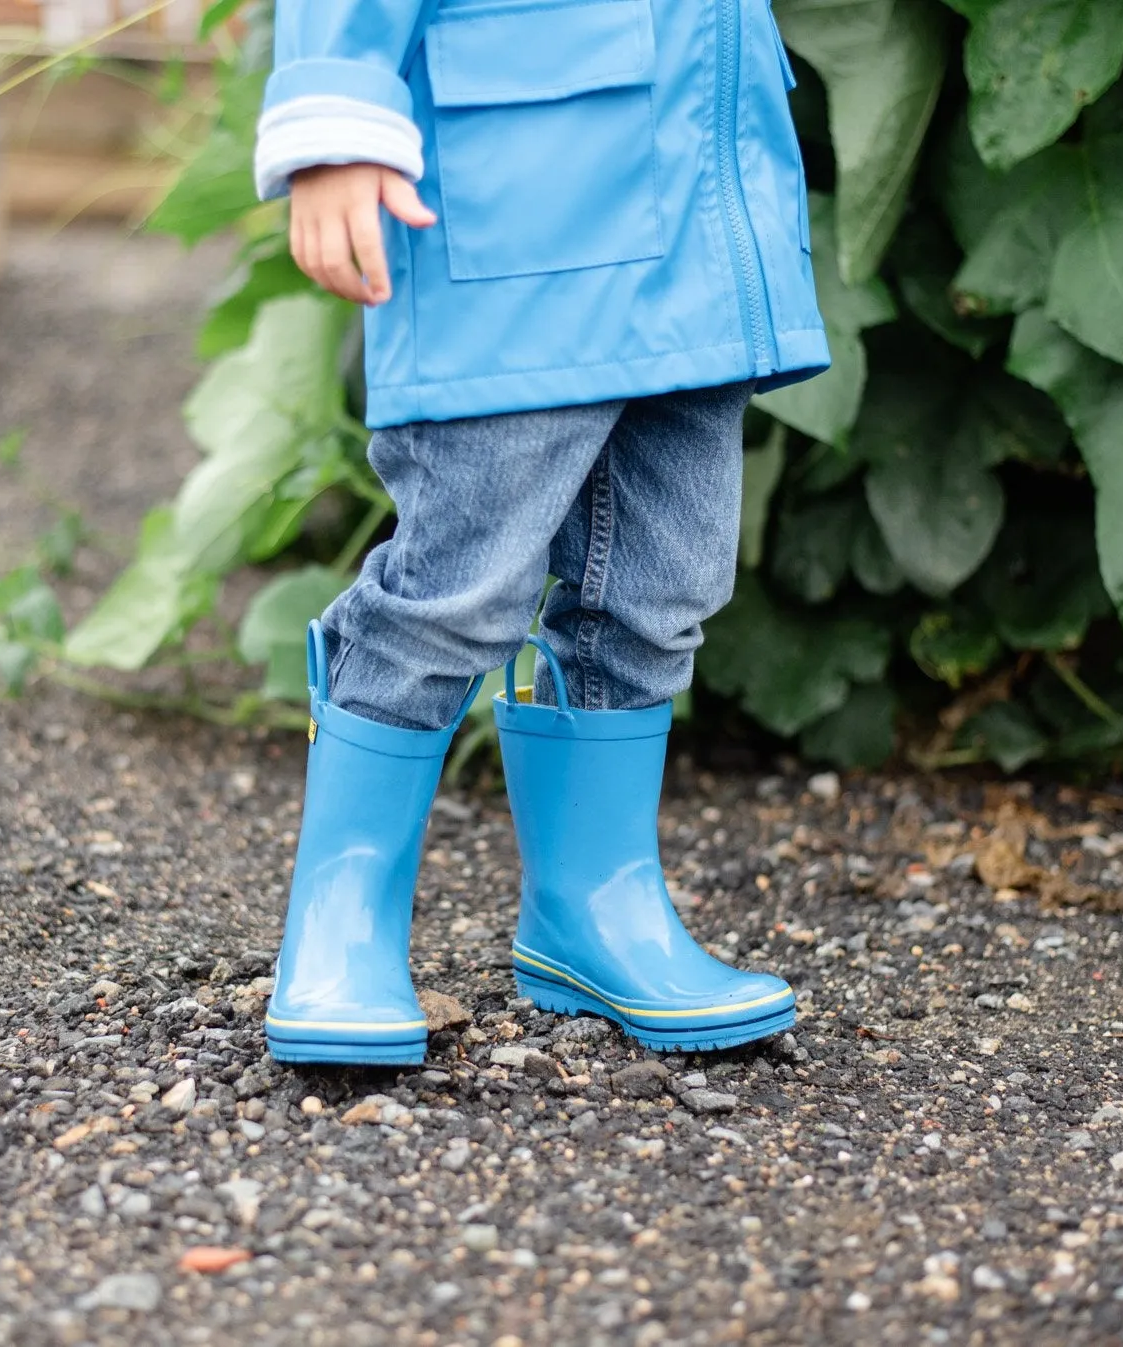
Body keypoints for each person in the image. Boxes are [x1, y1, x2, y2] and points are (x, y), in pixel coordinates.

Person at [256, 0, 828, 1067]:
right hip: (518, 205)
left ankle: (594, 914)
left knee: (660, 592)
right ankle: (337, 920)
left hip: (701, 214)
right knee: (453, 590)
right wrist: (333, 118)